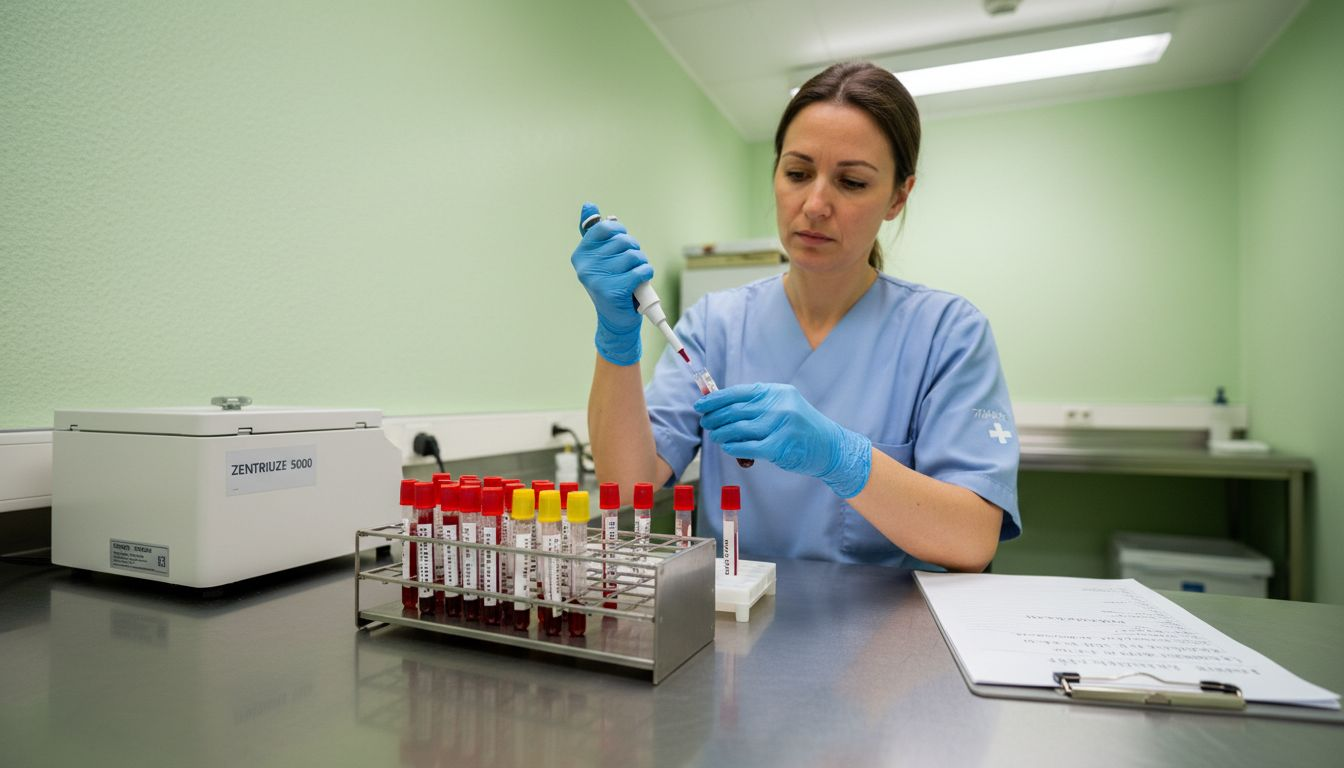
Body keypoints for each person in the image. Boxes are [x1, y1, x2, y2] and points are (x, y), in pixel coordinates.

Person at [570, 61, 1020, 572]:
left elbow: (972, 541)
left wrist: (843, 457)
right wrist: (615, 339)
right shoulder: (715, 323)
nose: (815, 204)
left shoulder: (948, 334)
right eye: (798, 173)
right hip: (735, 621)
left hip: (888, 636)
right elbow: (626, 487)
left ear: (898, 196)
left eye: (851, 181)